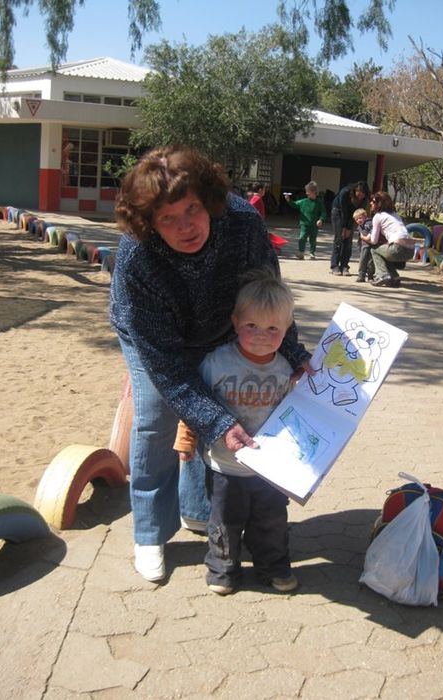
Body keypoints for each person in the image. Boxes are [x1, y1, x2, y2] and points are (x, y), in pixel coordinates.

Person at [110, 145, 312, 583]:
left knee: (225, 404)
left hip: (224, 324)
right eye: (168, 218)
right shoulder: (136, 257)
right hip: (156, 337)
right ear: (148, 224)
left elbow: (267, 296)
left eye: (193, 210)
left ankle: (201, 510)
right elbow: (166, 365)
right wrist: (213, 420)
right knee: (156, 417)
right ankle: (150, 532)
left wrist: (293, 354)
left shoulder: (241, 222)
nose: (186, 226)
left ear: (210, 202)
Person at [174, 269, 302, 595]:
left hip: (269, 468)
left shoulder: (286, 370)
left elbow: (296, 417)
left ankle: (273, 567)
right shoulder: (217, 363)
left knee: (271, 522)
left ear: (287, 329)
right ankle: (222, 569)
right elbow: (193, 401)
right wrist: (186, 440)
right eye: (251, 326)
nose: (261, 335)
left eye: (273, 328)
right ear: (235, 322)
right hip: (223, 466)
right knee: (224, 523)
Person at [361, 191, 415, 287]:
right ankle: (395, 277)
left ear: (379, 204)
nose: (370, 203)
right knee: (385, 252)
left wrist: (363, 237)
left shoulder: (378, 216)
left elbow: (374, 241)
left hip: (398, 248)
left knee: (375, 250)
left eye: (373, 202)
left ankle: (382, 275)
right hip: (411, 251)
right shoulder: (395, 214)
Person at [329, 181, 370, 275]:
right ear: (355, 190)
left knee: (348, 240)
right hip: (338, 212)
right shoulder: (345, 192)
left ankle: (344, 266)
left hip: (353, 216)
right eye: (359, 192)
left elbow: (358, 213)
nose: (361, 195)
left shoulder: (364, 199)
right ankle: (334, 265)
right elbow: (344, 211)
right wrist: (344, 227)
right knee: (339, 238)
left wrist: (349, 228)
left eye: (363, 193)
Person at [284, 181, 326, 260]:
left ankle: (312, 253)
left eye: (308, 192)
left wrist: (321, 219)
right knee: (302, 237)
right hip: (304, 224)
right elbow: (295, 204)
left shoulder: (319, 203)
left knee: (313, 239)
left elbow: (323, 212)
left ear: (314, 192)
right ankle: (301, 252)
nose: (306, 193)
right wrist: (288, 200)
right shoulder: (303, 201)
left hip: (314, 225)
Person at [353, 207, 377, 283]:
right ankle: (361, 275)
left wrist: (368, 236)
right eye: (356, 219)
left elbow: (373, 230)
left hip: (371, 245)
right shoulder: (360, 226)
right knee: (363, 261)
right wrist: (359, 245)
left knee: (370, 262)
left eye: (360, 218)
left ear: (365, 216)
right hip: (364, 246)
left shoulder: (368, 223)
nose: (358, 220)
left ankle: (370, 276)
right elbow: (360, 237)